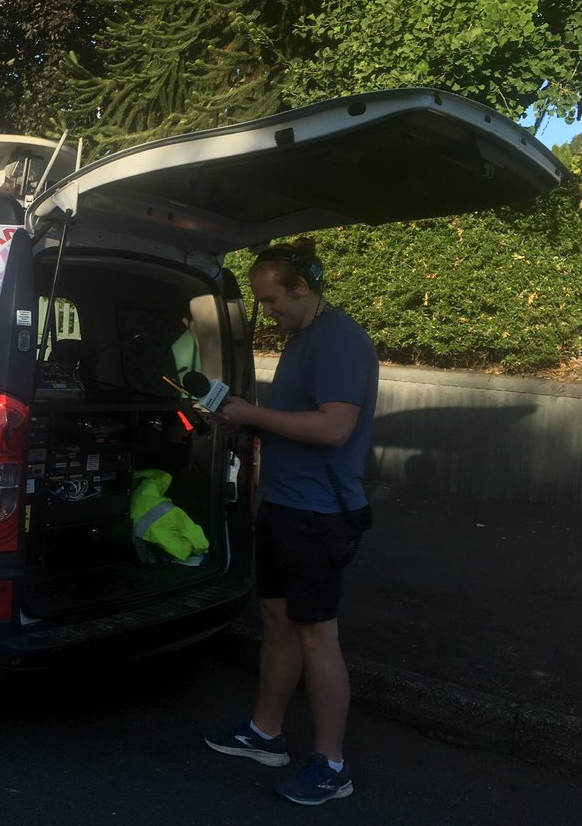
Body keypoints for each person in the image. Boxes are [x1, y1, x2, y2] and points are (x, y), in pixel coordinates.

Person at [205, 238, 377, 806]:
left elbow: (333, 429)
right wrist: (251, 426)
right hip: (283, 504)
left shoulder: (341, 342)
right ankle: (265, 734)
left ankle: (332, 766)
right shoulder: (306, 337)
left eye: (274, 300)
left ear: (304, 287)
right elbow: (300, 421)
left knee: (318, 637)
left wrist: (251, 412)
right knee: (277, 620)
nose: (268, 313)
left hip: (318, 515)